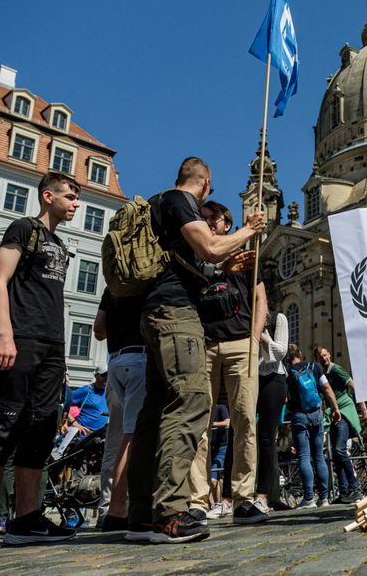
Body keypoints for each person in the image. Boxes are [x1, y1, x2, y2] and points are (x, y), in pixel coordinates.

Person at [126, 157, 264, 544]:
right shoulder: (180, 200)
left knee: (153, 413)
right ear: (204, 182)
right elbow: (208, 247)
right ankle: (171, 512)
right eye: (211, 190)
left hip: (154, 310)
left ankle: (141, 517)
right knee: (190, 404)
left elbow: (193, 260)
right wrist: (248, 230)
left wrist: (225, 264)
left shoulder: (157, 205)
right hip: (175, 314)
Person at [0, 172, 80, 553]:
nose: (75, 203)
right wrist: (5, 335)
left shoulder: (59, 244)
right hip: (20, 341)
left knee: (41, 430)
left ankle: (26, 519)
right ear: (48, 196)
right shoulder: (23, 229)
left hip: (51, 346)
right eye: (70, 196)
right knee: (4, 424)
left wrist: (60, 357)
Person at [186, 200, 269, 526]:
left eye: (212, 218)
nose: (206, 222)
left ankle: (244, 499)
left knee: (245, 419)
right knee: (199, 424)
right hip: (204, 344)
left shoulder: (248, 256)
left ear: (226, 223)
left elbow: (261, 299)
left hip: (239, 342)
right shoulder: (195, 254)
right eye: (203, 218)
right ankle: (196, 501)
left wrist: (254, 336)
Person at [93, 288, 147, 532]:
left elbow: (99, 330)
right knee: (134, 435)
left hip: (115, 364)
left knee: (115, 441)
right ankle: (122, 509)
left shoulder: (112, 287)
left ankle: (107, 506)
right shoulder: (147, 281)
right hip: (139, 359)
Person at [285, 344, 340, 509]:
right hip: (317, 414)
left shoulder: (287, 373)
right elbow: (327, 388)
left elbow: (284, 399)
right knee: (319, 456)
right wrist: (336, 409)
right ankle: (324, 498)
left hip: (299, 416)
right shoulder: (314, 367)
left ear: (288, 359)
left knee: (303, 456)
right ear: (301, 354)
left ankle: (308, 498)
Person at [314, 346, 367, 504]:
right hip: (333, 413)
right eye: (320, 357)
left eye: (325, 355)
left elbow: (353, 386)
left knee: (339, 449)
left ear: (329, 355)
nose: (324, 358)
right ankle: (344, 492)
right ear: (317, 360)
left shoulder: (336, 369)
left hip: (344, 411)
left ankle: (355, 488)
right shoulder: (322, 373)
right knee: (336, 454)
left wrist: (364, 410)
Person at [254, 307, 289, 513]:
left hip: (273, 380)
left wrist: (262, 332)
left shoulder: (278, 319)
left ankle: (265, 495)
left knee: (267, 439)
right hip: (250, 379)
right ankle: (231, 497)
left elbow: (278, 354)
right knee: (243, 437)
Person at [67, 363, 109, 434]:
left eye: (109, 375)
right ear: (96, 376)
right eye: (104, 375)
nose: (107, 377)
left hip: (101, 436)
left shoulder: (110, 392)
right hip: (84, 436)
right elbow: (63, 403)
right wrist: (74, 423)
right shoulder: (86, 390)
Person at [207, 403, 230, 509]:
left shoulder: (221, 407)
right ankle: (213, 504)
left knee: (213, 479)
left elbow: (227, 422)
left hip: (221, 447)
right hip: (209, 448)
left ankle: (217, 505)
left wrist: (212, 424)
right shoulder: (205, 409)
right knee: (208, 479)